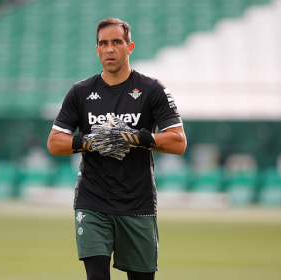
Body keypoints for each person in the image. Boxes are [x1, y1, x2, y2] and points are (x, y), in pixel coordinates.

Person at [47, 18, 187, 280]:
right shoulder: (81, 92)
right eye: (103, 43)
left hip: (138, 203)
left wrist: (135, 137)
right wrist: (89, 141)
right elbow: (54, 143)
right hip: (93, 202)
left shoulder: (152, 90)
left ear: (129, 47)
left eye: (116, 42)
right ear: (97, 49)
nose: (109, 49)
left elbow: (178, 141)